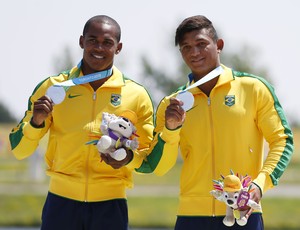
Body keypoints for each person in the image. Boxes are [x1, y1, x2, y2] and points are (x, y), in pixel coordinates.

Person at [137, 15, 294, 229]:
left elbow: (282, 141)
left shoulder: (253, 88)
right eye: (186, 47)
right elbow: (160, 167)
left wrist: (259, 185)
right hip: (191, 217)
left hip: (243, 211)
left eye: (201, 44)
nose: (194, 52)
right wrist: (171, 130)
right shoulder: (171, 104)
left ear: (218, 45)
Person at [9, 15, 154, 230]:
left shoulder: (136, 94)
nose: (98, 47)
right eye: (92, 40)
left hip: (111, 205)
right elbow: (19, 151)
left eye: (107, 42)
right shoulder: (54, 87)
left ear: (119, 47)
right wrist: (36, 122)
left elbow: (148, 157)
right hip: (61, 203)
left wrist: (128, 158)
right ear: (81, 42)